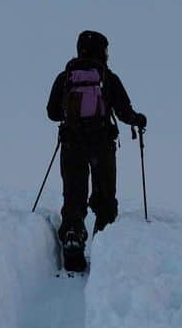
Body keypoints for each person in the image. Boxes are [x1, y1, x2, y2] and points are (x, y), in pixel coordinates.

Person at [46, 30, 147, 271]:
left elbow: (52, 113)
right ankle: (106, 250)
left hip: (72, 144)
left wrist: (71, 114)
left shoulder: (66, 77)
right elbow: (124, 112)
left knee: (74, 196)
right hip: (102, 144)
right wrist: (138, 120)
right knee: (105, 200)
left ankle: (72, 240)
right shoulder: (108, 77)